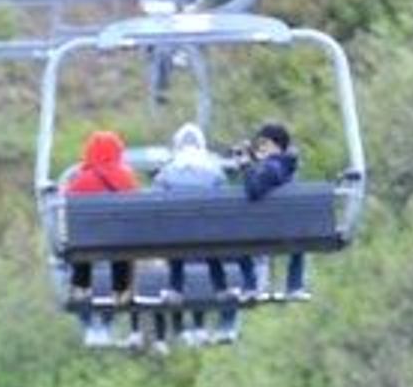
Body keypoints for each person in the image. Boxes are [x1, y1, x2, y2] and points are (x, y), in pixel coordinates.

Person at [150, 122, 238, 346]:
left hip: (177, 236)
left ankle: (176, 288)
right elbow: (224, 200)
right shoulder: (212, 169)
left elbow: (155, 200)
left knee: (177, 244)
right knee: (209, 246)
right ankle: (220, 287)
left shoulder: (168, 171)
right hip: (209, 235)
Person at [64, 129, 139, 347]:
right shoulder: (126, 177)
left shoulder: (81, 179)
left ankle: (81, 288)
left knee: (82, 248)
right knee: (122, 251)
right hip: (120, 243)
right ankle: (121, 292)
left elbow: (67, 205)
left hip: (86, 242)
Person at [236, 121, 309, 299]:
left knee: (235, 239)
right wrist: (253, 162)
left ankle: (250, 285)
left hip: (264, 232)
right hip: (291, 231)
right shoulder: (288, 166)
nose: (260, 147)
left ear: (276, 145)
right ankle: (294, 285)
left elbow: (254, 191)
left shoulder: (272, 167)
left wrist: (246, 167)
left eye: (264, 143)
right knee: (298, 241)